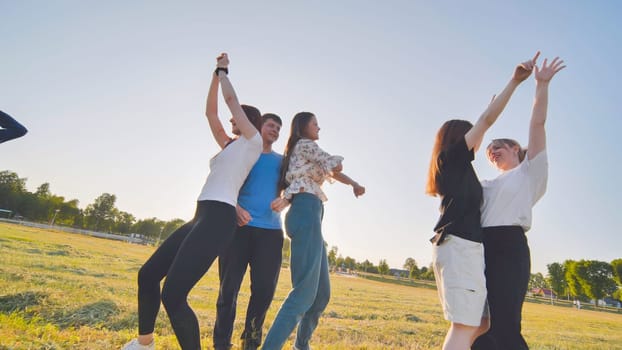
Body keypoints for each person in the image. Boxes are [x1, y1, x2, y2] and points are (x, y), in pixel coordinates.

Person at [122, 53, 264, 350]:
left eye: (236, 119)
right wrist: (214, 77)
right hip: (201, 214)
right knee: (148, 275)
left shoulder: (253, 142)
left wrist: (224, 72)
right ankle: (143, 343)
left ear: (248, 121)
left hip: (218, 219)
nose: (230, 121)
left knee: (173, 294)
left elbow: (230, 103)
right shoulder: (229, 145)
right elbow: (211, 114)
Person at [425, 53, 538, 350]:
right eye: (472, 134)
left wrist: (490, 110)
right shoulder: (451, 158)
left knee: (482, 324)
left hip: (468, 247)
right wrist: (514, 82)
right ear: (458, 138)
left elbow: (485, 122)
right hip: (459, 246)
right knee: (465, 327)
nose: (480, 140)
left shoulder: (460, 168)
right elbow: (486, 121)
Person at [472, 56, 565, 350]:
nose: (492, 153)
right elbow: (476, 135)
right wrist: (488, 112)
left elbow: (538, 121)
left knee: (506, 324)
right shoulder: (486, 184)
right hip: (478, 246)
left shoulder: (530, 173)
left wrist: (541, 84)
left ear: (514, 148)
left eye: (497, 147)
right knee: (476, 321)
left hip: (509, 246)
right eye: (488, 152)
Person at [261, 112, 365, 350]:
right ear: (303, 126)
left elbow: (333, 172)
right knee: (304, 294)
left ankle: (301, 346)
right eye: (315, 124)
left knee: (320, 296)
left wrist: (353, 184)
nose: (319, 128)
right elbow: (334, 164)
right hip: (305, 212)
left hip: (312, 214)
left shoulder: (304, 151)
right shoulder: (305, 144)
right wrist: (336, 166)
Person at [212, 113, 285, 350]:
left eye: (278, 128)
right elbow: (222, 183)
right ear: (258, 127)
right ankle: (222, 343)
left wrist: (286, 201)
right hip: (239, 229)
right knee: (228, 289)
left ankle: (250, 342)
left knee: (264, 291)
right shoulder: (243, 154)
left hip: (271, 233)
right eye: (271, 125)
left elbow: (295, 187)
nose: (275, 130)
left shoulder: (282, 161)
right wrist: (235, 207)